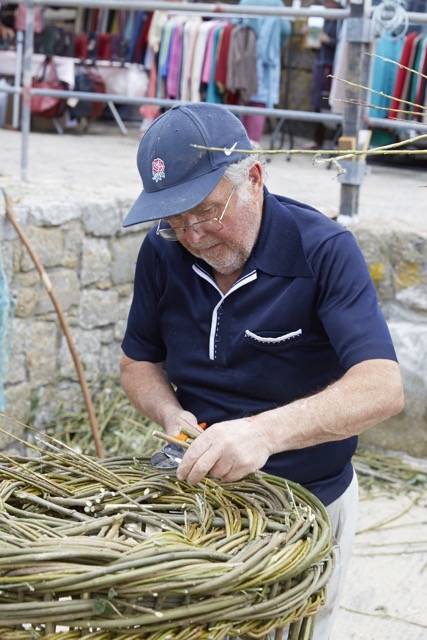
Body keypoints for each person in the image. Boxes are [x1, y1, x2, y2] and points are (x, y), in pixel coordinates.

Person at [120, 102, 404, 639]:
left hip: (307, 502)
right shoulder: (162, 253)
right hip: (199, 502)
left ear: (253, 177)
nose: (193, 237)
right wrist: (169, 412)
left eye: (205, 213)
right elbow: (138, 362)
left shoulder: (324, 249)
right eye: (174, 221)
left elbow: (382, 387)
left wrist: (262, 433)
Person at [308, 0, 346, 149]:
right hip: (320, 62)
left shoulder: (343, 17)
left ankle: (338, 140)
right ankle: (318, 139)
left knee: (335, 103)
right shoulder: (321, 13)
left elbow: (344, 45)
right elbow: (315, 44)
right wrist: (311, 37)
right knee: (317, 101)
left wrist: (328, 40)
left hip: (334, 66)